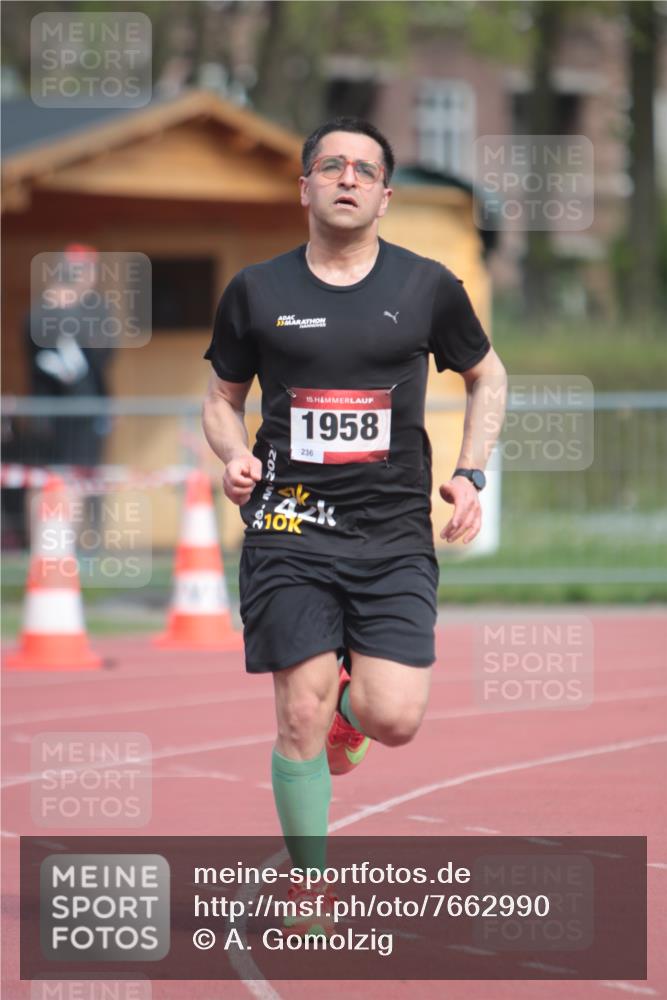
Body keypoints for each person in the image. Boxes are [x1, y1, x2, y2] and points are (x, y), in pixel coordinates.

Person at [202, 117, 507, 932]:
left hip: (392, 533)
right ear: (304, 186)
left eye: (363, 169)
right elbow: (222, 398)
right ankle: (310, 885)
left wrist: (470, 471)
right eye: (330, 166)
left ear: (384, 195)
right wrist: (233, 454)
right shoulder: (257, 291)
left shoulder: (427, 286)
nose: (346, 178)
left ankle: (352, 716)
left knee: (393, 718)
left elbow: (487, 375)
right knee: (296, 712)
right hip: (289, 525)